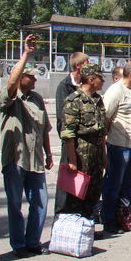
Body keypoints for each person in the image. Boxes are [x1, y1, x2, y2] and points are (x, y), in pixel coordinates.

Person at [0, 34, 54, 258]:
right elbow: (11, 83)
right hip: (16, 157)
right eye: (31, 77)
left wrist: (49, 153)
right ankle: (18, 244)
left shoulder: (37, 98)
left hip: (36, 158)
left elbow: (45, 128)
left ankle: (33, 241)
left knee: (40, 201)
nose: (35, 81)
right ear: (21, 77)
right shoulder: (10, 97)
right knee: (15, 204)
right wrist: (25, 55)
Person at [59, 64, 107, 234]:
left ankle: (87, 229)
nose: (103, 80)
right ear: (91, 79)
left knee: (94, 193)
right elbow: (68, 135)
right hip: (81, 154)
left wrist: (103, 156)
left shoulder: (97, 100)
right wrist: (72, 161)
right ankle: (74, 230)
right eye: (100, 78)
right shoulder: (74, 101)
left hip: (96, 153)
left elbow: (101, 132)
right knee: (77, 195)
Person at [101, 61, 131, 233]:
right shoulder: (115, 91)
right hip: (118, 145)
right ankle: (109, 219)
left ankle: (124, 217)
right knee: (113, 184)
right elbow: (106, 118)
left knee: (127, 186)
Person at [53, 51, 89, 215]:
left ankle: (79, 217)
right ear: (78, 66)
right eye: (87, 63)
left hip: (84, 143)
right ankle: (62, 217)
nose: (90, 67)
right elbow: (63, 118)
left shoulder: (85, 85)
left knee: (82, 182)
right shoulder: (64, 86)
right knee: (67, 180)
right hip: (70, 141)